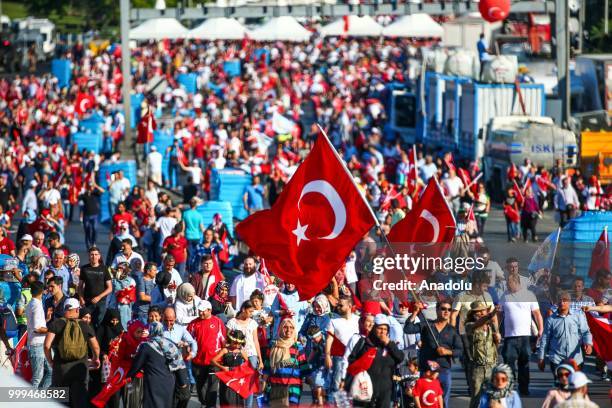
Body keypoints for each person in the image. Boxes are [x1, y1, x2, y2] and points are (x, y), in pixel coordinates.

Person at [405, 300, 463, 408]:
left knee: (442, 402)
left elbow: (459, 350)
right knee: (425, 400)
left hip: (443, 370)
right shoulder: (426, 325)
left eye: (449, 309)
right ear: (437, 310)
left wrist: (447, 352)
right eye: (443, 309)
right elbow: (408, 329)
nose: (446, 311)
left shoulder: (452, 330)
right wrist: (415, 312)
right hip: (427, 371)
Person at [44, 298, 100, 407]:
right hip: (79, 371)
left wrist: (50, 361)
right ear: (77, 310)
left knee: (60, 403)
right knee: (80, 402)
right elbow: (96, 347)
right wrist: (95, 359)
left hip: (60, 371)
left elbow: (47, 346)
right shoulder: (84, 325)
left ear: (65, 308)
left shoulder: (56, 323)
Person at [498, 274, 544, 396]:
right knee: (509, 365)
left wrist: (540, 329)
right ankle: (510, 389)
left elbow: (537, 314)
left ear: (516, 282)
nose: (507, 285)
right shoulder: (505, 296)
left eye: (509, 283)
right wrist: (496, 330)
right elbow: (499, 314)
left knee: (524, 364)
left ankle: (524, 388)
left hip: (525, 337)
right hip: (509, 337)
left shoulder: (529, 295)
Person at [126, 321, 188, 408]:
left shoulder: (146, 346)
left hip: (153, 383)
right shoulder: (171, 344)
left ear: (151, 331)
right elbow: (178, 364)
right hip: (169, 382)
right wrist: (183, 383)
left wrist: (129, 376)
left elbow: (137, 365)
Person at [347, 314, 404, 408]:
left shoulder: (391, 346)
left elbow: (400, 358)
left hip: (385, 392)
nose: (382, 332)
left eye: (385, 329)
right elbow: (352, 361)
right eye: (380, 328)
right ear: (374, 329)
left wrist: (389, 344)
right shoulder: (364, 343)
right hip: (365, 390)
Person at [538, 291, 593, 375]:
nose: (562, 302)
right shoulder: (551, 320)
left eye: (565, 300)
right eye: (560, 300)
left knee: (575, 385)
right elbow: (545, 339)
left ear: (570, 302)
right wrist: (541, 358)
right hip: (557, 359)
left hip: (576, 359)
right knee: (560, 385)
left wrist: (588, 343)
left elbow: (586, 332)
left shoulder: (578, 316)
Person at [188, 300, 226, 407]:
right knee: (200, 387)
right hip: (198, 361)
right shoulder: (193, 323)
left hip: (215, 361)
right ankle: (204, 403)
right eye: (199, 311)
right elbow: (188, 340)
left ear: (210, 310)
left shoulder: (218, 322)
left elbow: (223, 340)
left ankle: (211, 406)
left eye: (203, 311)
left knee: (212, 387)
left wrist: (224, 357)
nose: (200, 313)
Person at [265, 317, 308, 406]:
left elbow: (304, 368)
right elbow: (267, 367)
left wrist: (314, 385)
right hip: (275, 387)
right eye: (285, 327)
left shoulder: (298, 347)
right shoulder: (273, 346)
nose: (289, 330)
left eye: (291, 327)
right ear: (280, 329)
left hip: (293, 388)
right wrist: (263, 383)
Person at [465, 302, 500, 408]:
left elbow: (494, 348)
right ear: (473, 314)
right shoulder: (469, 326)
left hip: (491, 366)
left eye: (482, 310)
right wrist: (490, 315)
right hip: (477, 368)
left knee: (494, 398)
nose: (480, 313)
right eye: (477, 311)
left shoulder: (490, 327)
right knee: (476, 398)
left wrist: (497, 340)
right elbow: (478, 324)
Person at [325, 296, 360, 399]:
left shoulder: (358, 320)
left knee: (354, 384)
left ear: (349, 306)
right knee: (337, 384)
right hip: (339, 357)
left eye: (341, 305)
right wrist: (327, 356)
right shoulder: (333, 321)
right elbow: (329, 339)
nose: (338, 307)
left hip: (355, 357)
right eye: (338, 305)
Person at [211, 330, 249, 406]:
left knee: (238, 397)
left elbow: (248, 363)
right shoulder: (225, 350)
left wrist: (242, 369)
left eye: (239, 344)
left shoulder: (241, 352)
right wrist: (222, 367)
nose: (237, 345)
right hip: (226, 377)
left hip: (237, 377)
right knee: (227, 397)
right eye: (235, 343)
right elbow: (213, 360)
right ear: (230, 340)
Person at [26, 280, 52, 388]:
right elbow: (37, 328)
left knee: (51, 372)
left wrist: (47, 319)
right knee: (37, 378)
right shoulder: (36, 305)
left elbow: (35, 324)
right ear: (42, 291)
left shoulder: (32, 303)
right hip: (37, 345)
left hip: (40, 344)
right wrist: (52, 330)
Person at [78, 246, 112, 329]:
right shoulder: (84, 268)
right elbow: (80, 286)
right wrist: (81, 298)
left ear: (99, 256)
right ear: (89, 256)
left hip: (101, 302)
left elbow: (110, 288)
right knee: (87, 324)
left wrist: (99, 297)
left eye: (96, 254)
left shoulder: (104, 268)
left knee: (99, 324)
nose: (94, 256)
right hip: (88, 301)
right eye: (92, 254)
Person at [79, 180, 104, 249]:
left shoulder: (95, 193)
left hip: (95, 215)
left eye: (92, 186)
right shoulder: (84, 194)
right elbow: (78, 198)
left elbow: (103, 191)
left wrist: (96, 185)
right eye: (90, 186)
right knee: (87, 230)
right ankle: (88, 245)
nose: (91, 187)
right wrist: (82, 190)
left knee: (95, 229)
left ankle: (93, 242)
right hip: (86, 215)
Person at [183, 197, 205, 271]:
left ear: (189, 205)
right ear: (196, 205)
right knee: (197, 253)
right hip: (197, 236)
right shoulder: (199, 215)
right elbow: (202, 228)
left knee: (189, 254)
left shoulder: (185, 213)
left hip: (188, 236)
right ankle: (195, 269)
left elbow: (183, 226)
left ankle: (189, 269)